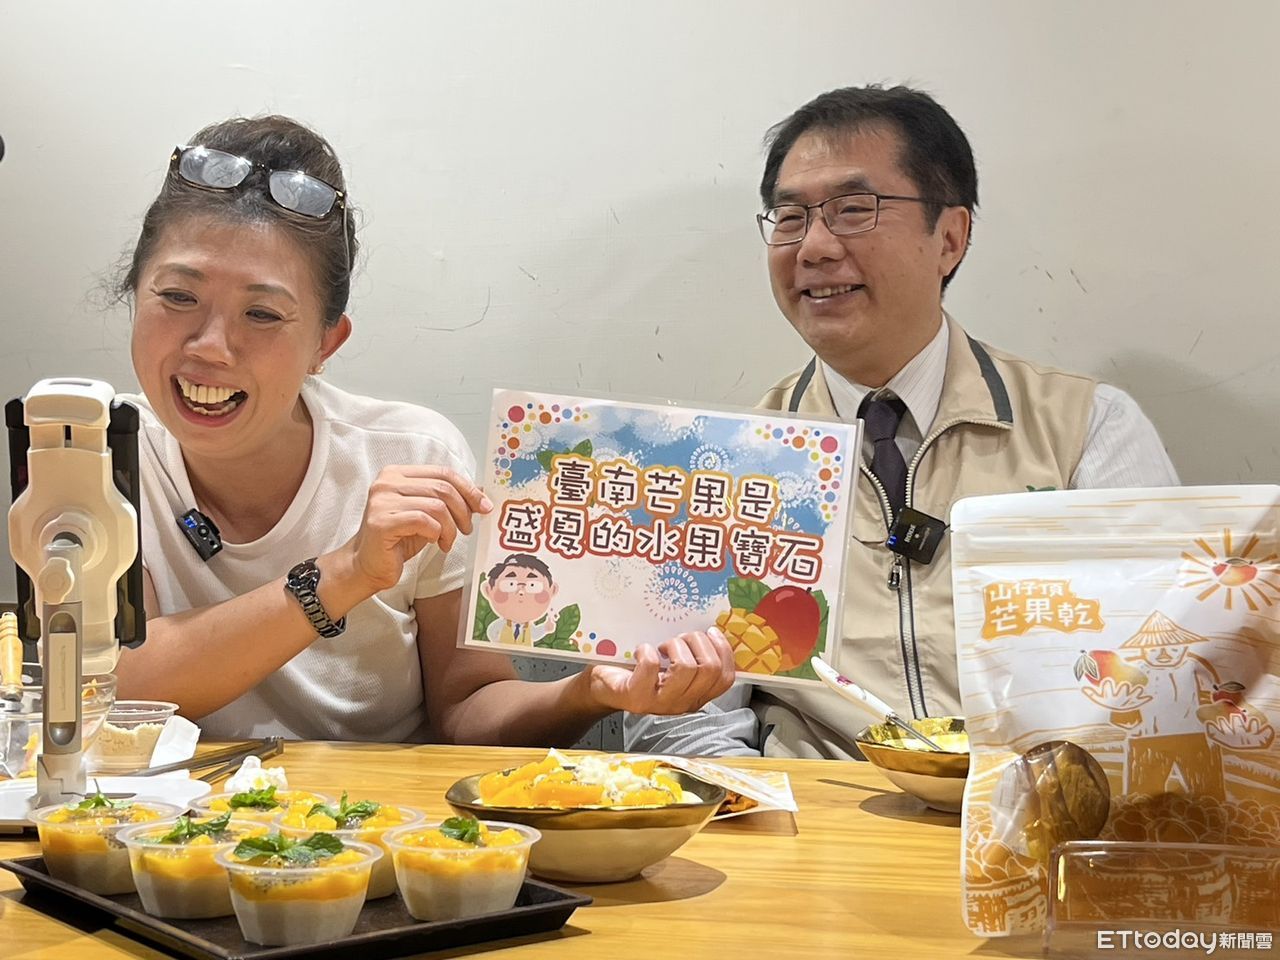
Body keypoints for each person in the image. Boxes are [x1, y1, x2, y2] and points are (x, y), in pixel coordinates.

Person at [114, 115, 734, 744]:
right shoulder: (98, 450)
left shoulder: (410, 456)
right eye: (178, 297)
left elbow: (468, 709)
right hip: (169, 806)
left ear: (326, 344)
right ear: (136, 295)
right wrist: (347, 572)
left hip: (376, 803)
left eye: (262, 313)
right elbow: (115, 688)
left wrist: (588, 692)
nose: (211, 347)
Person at [625, 85, 1179, 760]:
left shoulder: (1088, 429)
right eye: (791, 216)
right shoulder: (730, 461)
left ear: (950, 237)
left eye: (854, 210)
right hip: (810, 812)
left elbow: (1164, 668)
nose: (814, 246)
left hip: (1040, 806)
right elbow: (677, 719)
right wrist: (779, 813)